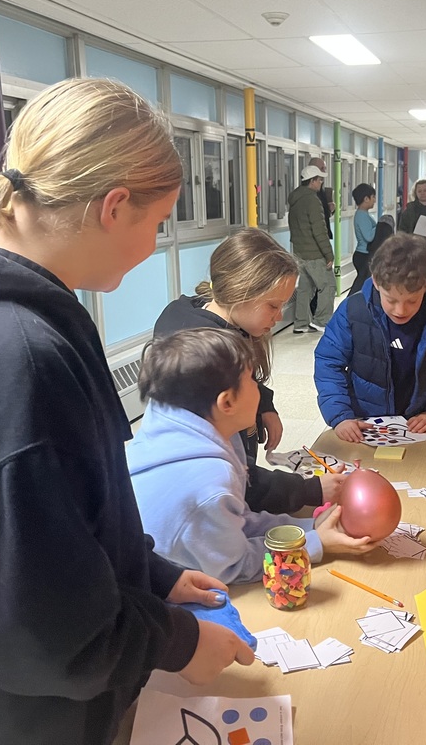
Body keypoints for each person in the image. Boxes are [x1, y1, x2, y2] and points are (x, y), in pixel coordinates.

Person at [0, 78, 254, 745]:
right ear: (115, 206)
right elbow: (36, 624)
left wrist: (149, 575)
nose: (155, 243)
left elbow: (42, 522)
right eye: (157, 223)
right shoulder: (15, 357)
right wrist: (178, 643)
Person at [129, 328, 377, 584]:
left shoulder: (186, 426)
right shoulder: (209, 482)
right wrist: (316, 544)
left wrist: (307, 528)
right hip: (171, 593)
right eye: (251, 380)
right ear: (227, 403)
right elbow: (235, 566)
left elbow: (238, 520)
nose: (259, 389)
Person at [153, 228, 344, 513]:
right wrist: (309, 489)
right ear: (243, 291)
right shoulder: (208, 359)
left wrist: (264, 403)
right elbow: (235, 479)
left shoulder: (211, 322)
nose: (280, 317)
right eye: (273, 306)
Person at [314, 234, 426, 443]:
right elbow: (328, 362)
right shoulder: (353, 311)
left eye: (412, 301)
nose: (400, 310)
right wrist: (341, 416)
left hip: (421, 424)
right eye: (391, 300)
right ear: (377, 282)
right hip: (364, 424)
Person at [289, 164, 335, 334]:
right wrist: (329, 254)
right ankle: (321, 321)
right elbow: (319, 231)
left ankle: (300, 323)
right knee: (328, 286)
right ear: (312, 181)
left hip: (300, 252)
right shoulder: (312, 200)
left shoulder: (295, 200)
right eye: (320, 179)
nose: (321, 183)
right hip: (315, 253)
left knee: (305, 288)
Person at [350, 182, 377, 295]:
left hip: (363, 254)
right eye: (373, 197)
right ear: (366, 198)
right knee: (360, 286)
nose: (374, 200)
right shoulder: (361, 215)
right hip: (363, 255)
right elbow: (369, 237)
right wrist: (381, 226)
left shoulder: (364, 214)